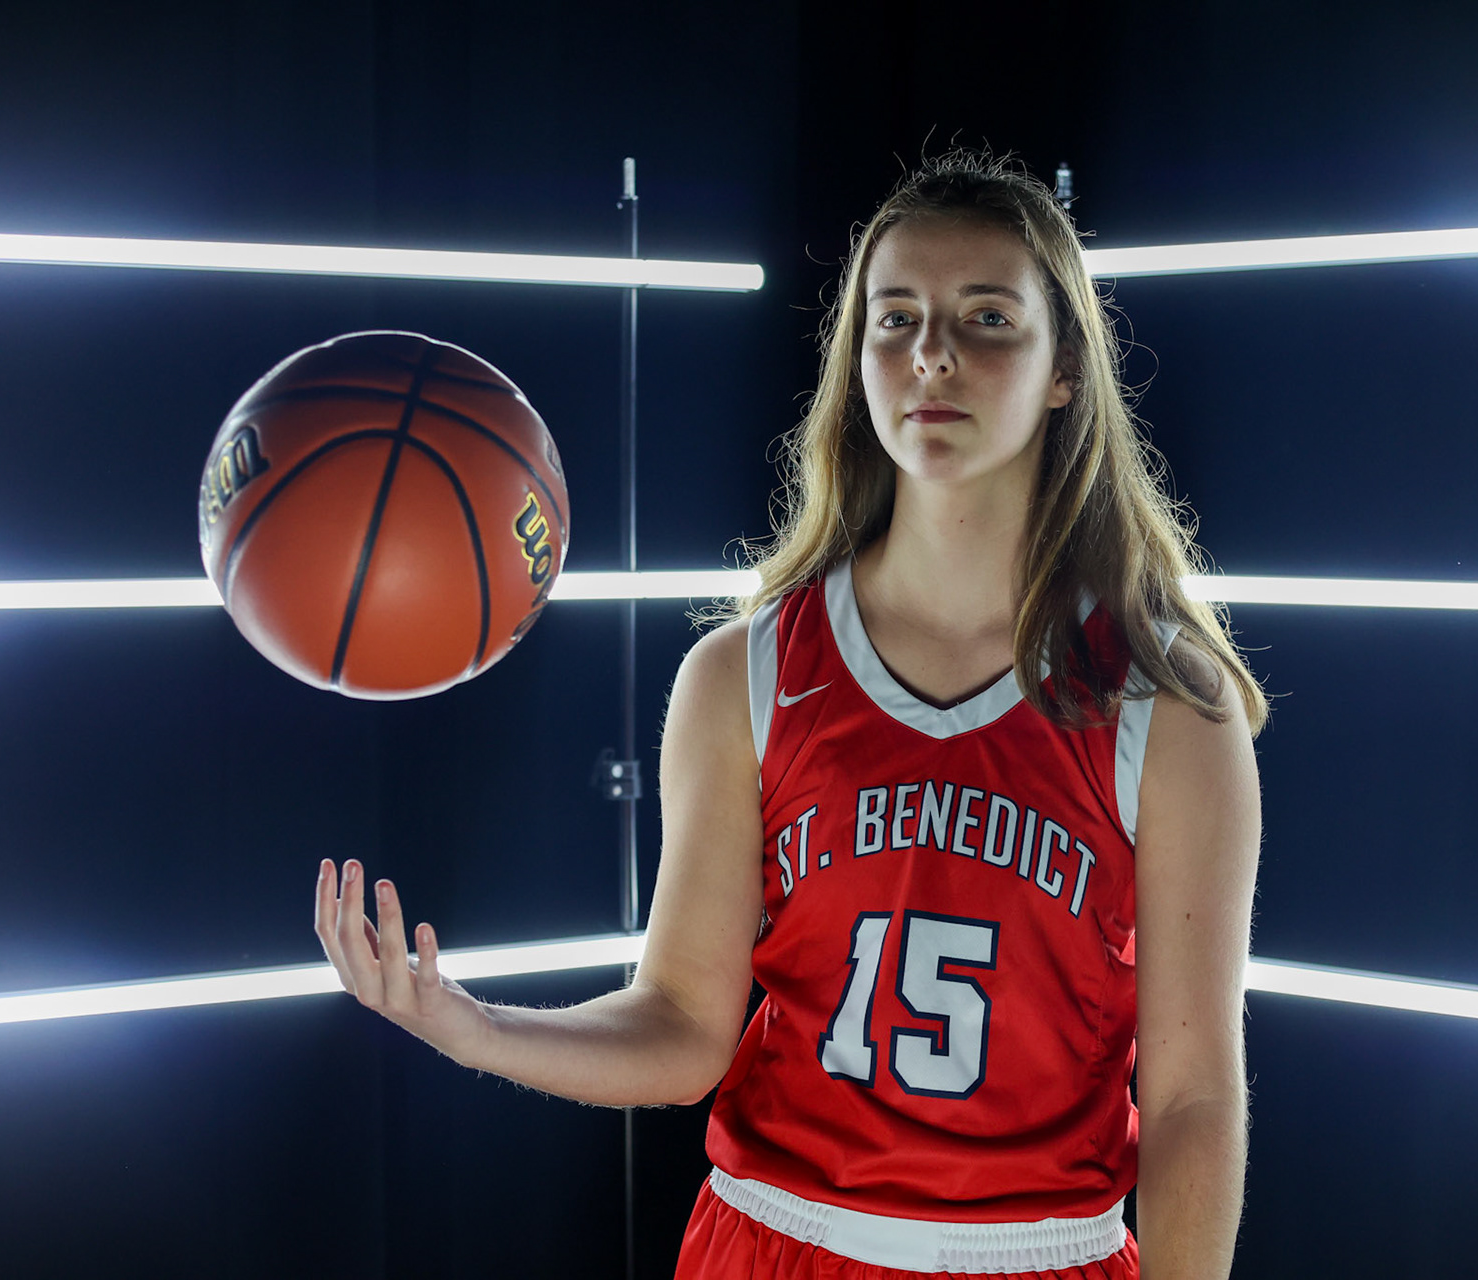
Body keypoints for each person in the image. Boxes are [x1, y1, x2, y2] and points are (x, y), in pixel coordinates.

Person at [315, 148, 1265, 1279]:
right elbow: (681, 1021)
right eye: (896, 316)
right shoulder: (747, 675)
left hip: (1039, 1251)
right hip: (777, 1243)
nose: (933, 353)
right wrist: (473, 1025)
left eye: (989, 317)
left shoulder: (1165, 707)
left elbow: (1196, 1094)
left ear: (1066, 369)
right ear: (857, 358)